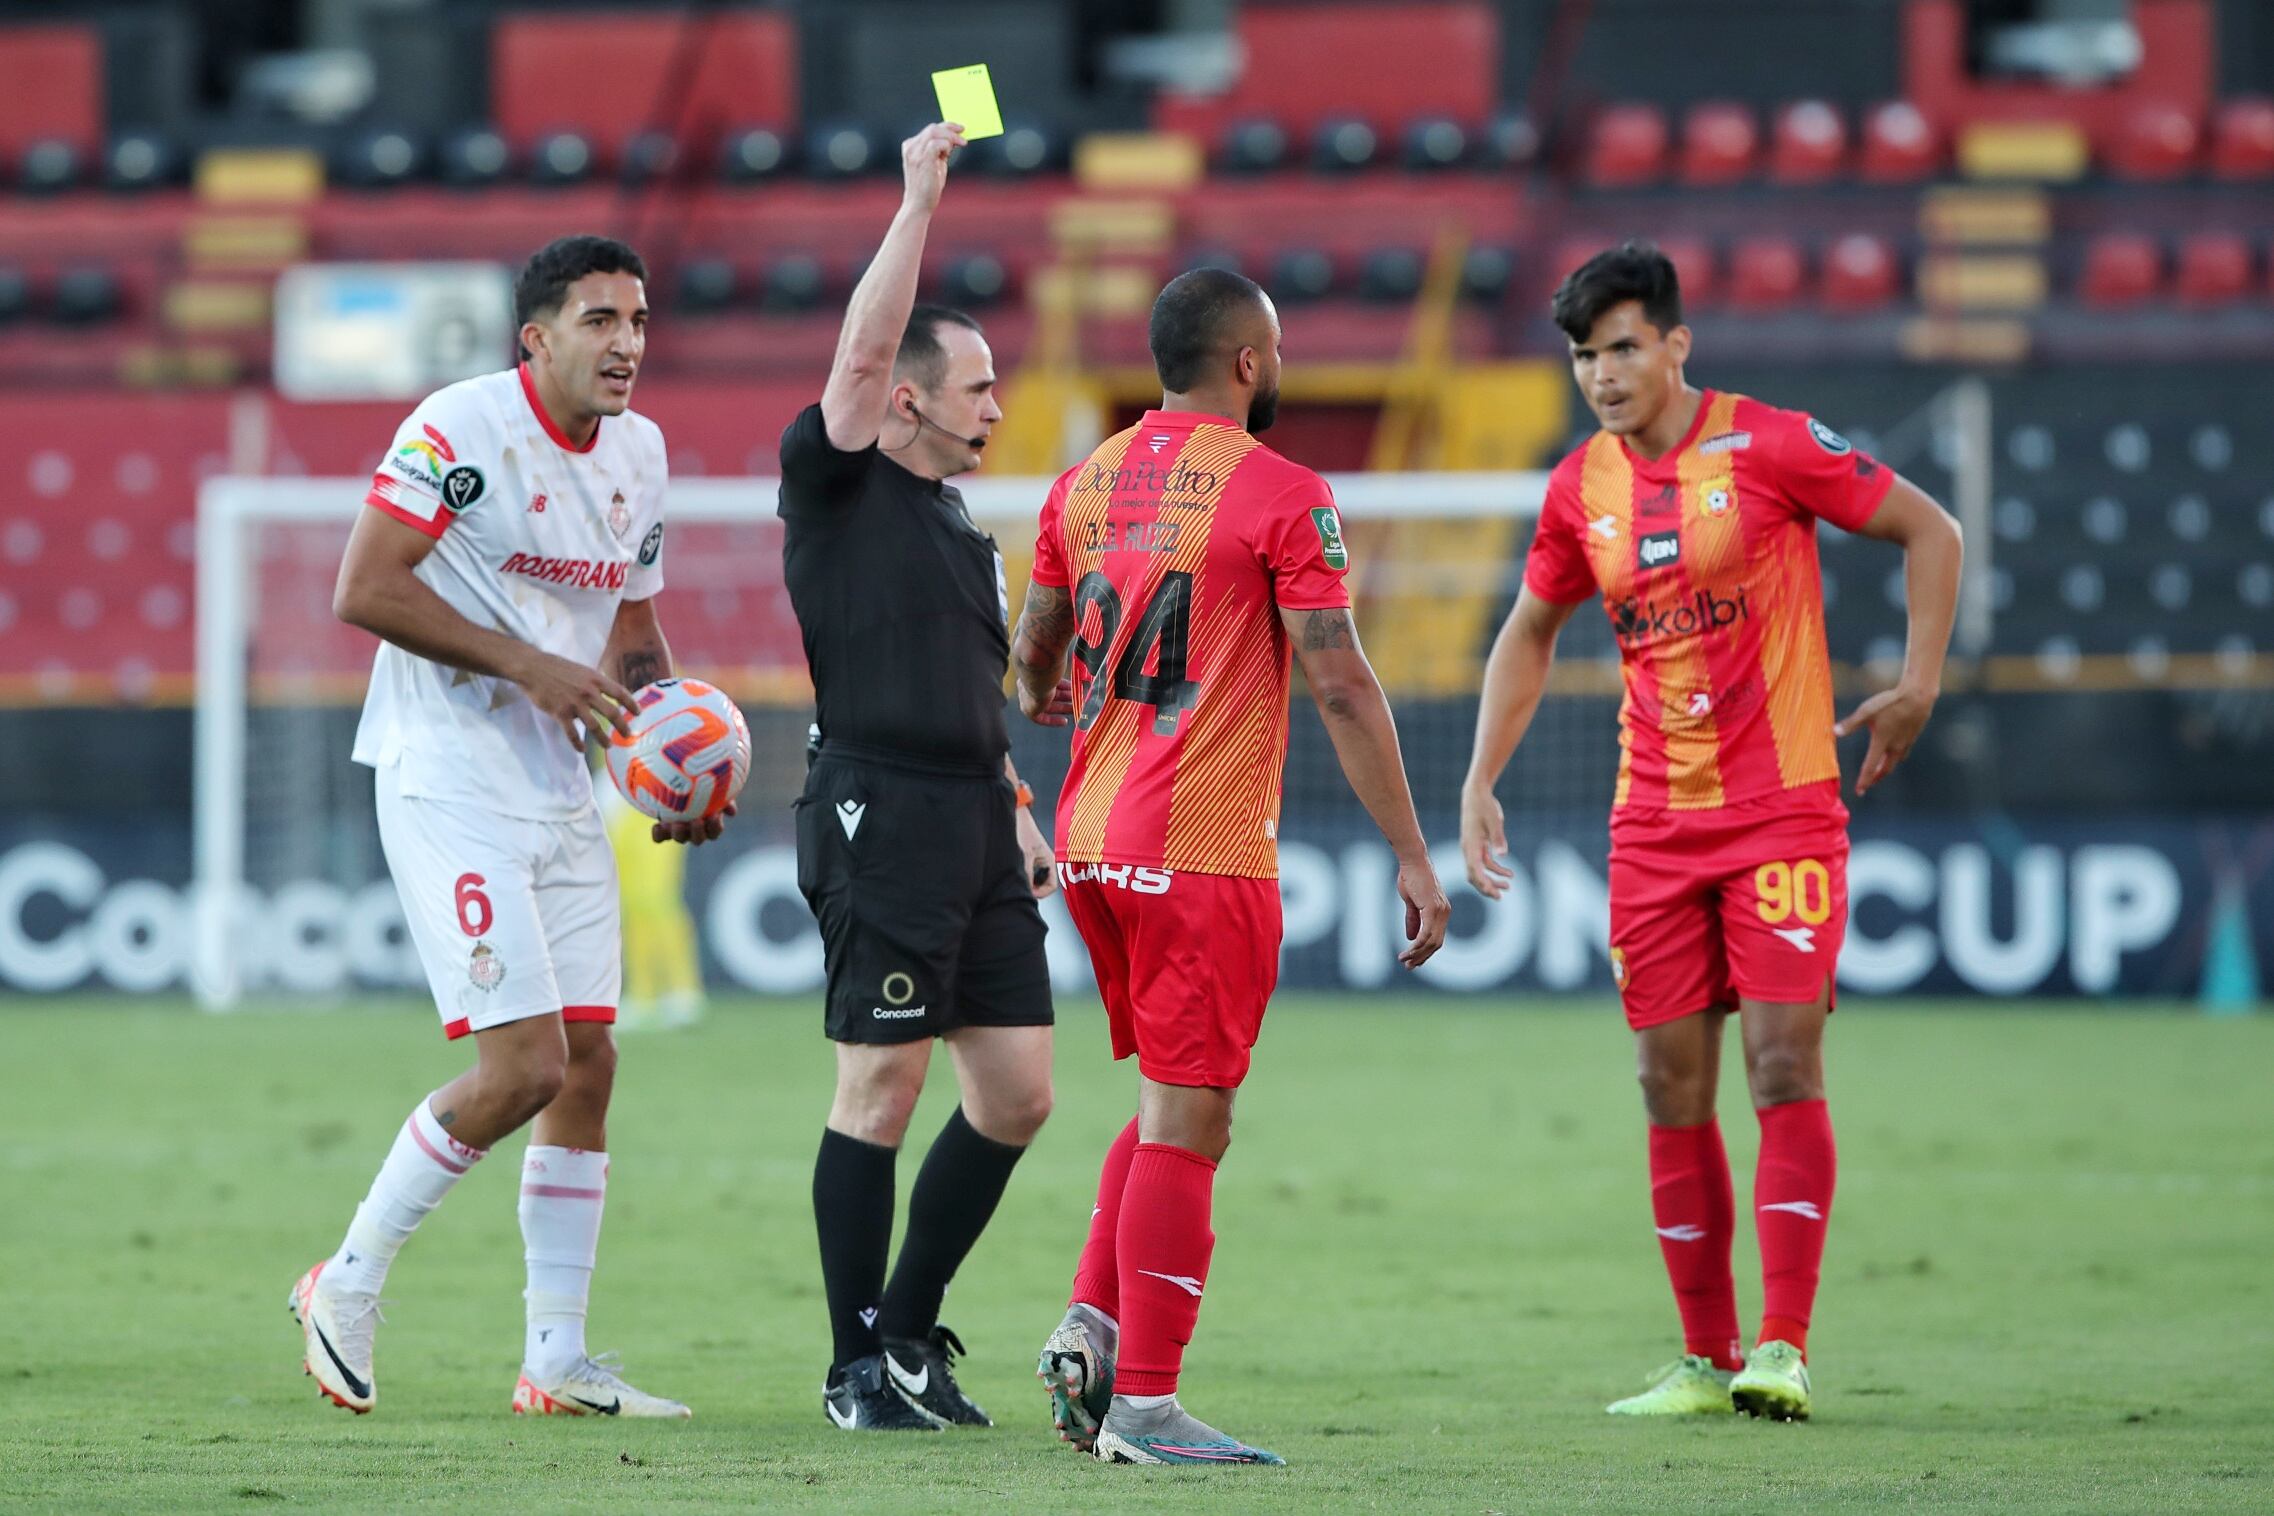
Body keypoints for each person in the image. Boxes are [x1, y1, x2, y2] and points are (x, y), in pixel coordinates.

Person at [1460, 241, 1963, 1421]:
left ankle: (1782, 1347)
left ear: (1677, 344)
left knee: (1783, 1061)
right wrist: (1483, 775)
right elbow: (1530, 630)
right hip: (1650, 829)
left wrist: (1920, 681)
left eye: (1625, 347)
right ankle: (1703, 1355)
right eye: (1585, 355)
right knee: (1665, 1083)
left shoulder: (1773, 443)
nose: (1603, 374)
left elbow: (1930, 531)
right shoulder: (1577, 489)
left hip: (1783, 811)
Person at [1012, 267, 1452, 1466]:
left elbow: (1032, 661)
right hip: (1201, 846)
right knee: (1195, 1120)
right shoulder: (1283, 489)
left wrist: (1053, 687)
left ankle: (1093, 1329)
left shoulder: (1083, 481)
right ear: (1250, 362)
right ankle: (1146, 1407)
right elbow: (1343, 678)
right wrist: (1414, 853)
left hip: (1095, 839)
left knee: (1167, 1098)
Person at [294, 234, 728, 1419]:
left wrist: (672, 761)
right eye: (600, 319)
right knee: (524, 1066)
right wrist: (529, 663)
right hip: (446, 775)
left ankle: (556, 1357)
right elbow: (365, 587)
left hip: (560, 784)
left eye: (638, 319)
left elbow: (633, 635)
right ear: (535, 338)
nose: (627, 342)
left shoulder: (641, 454)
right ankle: (348, 1277)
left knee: (591, 1063)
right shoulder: (457, 427)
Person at [778, 121, 1058, 1434]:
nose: (995, 408)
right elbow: (853, 353)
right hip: (875, 813)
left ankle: (903, 1338)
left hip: (975, 826)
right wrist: (918, 202)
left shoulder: (966, 535)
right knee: (879, 1087)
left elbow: (979, 714)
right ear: (905, 396)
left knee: (1016, 1094)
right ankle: (851, 1369)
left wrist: (1021, 809)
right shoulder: (834, 487)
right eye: (978, 388)